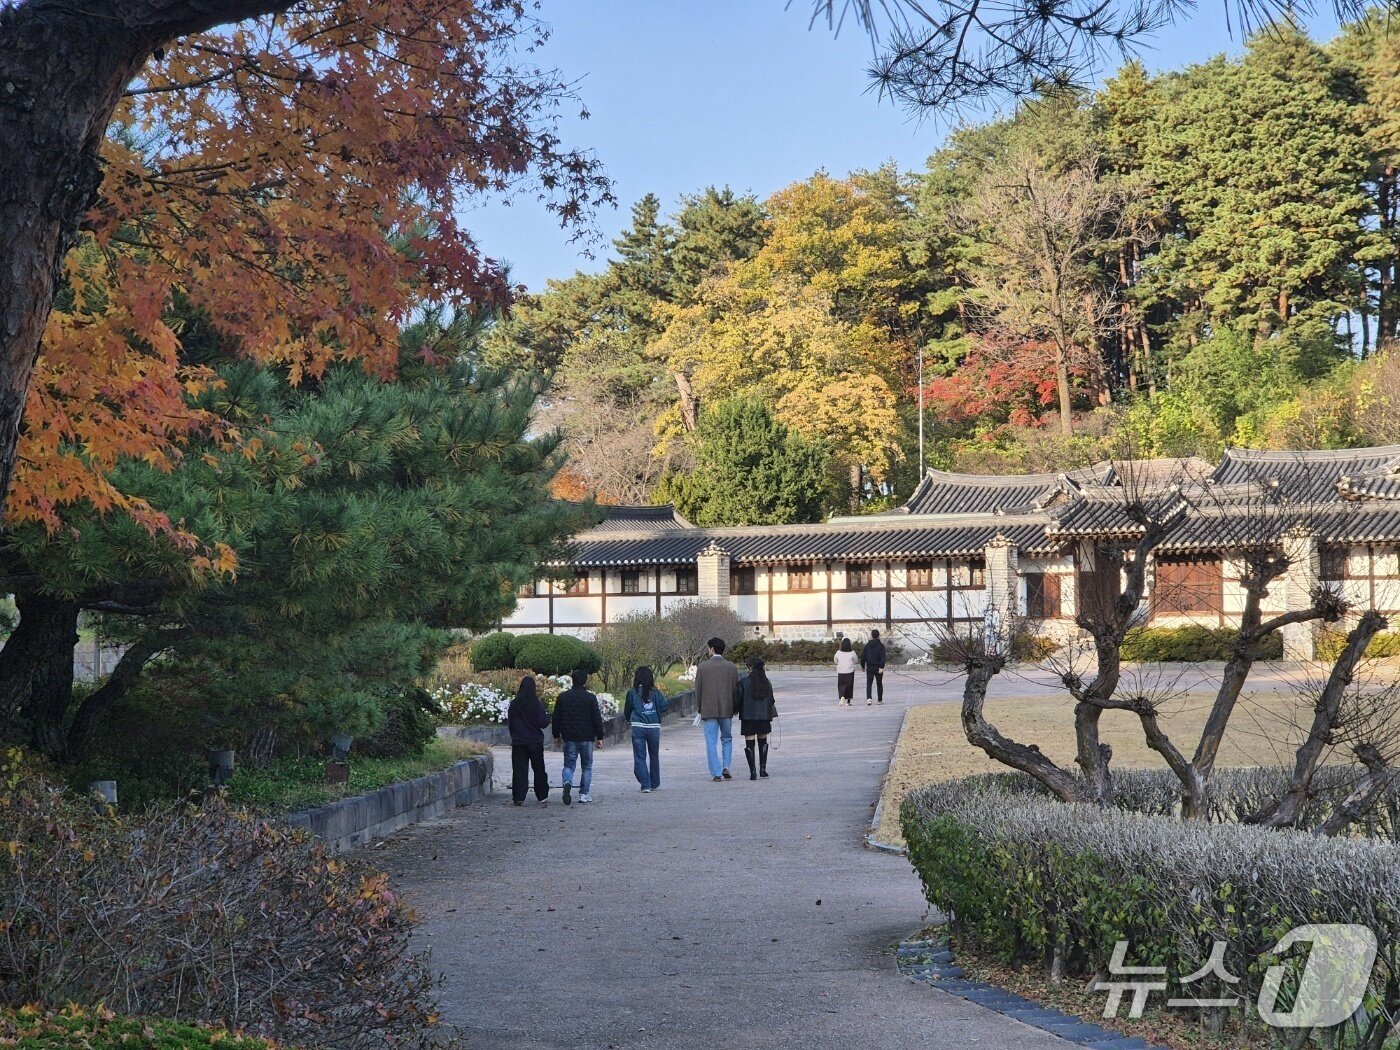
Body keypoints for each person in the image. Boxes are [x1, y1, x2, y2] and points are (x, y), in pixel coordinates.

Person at [552, 668, 605, 805]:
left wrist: (556, 735)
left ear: (572, 680)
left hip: (569, 736)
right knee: (587, 766)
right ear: (585, 681)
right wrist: (600, 736)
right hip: (587, 736)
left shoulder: (563, 697)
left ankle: (567, 781)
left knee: (569, 765)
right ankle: (584, 794)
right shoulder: (590, 698)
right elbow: (596, 718)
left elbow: (556, 718)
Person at [694, 636, 738, 781]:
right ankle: (726, 766)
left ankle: (716, 772)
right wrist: (735, 708)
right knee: (727, 738)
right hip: (727, 709)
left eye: (708, 648)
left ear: (712, 649)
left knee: (711, 742)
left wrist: (700, 708)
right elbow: (734, 690)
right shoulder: (731, 667)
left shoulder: (702, 667)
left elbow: (698, 690)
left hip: (709, 709)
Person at [623, 665, 669, 792]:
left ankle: (645, 784)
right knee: (654, 755)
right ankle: (654, 782)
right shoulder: (656, 692)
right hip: (654, 727)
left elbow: (627, 709)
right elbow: (665, 706)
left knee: (640, 756)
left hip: (638, 727)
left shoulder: (632, 692)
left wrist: (628, 719)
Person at [507, 675, 551, 806]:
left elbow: (511, 723)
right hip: (535, 741)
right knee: (538, 768)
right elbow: (543, 723)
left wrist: (514, 735)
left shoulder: (514, 703)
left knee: (519, 769)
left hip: (519, 741)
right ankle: (542, 795)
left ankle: (519, 796)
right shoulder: (536, 703)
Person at [736, 656, 778, 780]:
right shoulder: (766, 682)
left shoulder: (743, 682)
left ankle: (752, 771)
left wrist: (735, 710)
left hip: (748, 716)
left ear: (750, 668)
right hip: (764, 716)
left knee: (749, 743)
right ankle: (763, 769)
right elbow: (771, 700)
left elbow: (738, 699)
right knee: (762, 742)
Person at [860, 628, 887, 705]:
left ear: (871, 636)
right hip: (878, 667)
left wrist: (862, 666)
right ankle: (879, 700)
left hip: (870, 667)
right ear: (878, 636)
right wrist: (882, 666)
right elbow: (883, 657)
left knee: (869, 683)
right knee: (879, 683)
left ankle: (869, 698)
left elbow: (863, 656)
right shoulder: (881, 646)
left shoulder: (867, 645)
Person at [834, 637, 858, 706]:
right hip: (850, 671)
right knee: (849, 686)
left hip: (841, 671)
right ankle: (848, 701)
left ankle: (842, 697)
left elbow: (835, 661)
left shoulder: (838, 652)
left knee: (841, 685)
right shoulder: (852, 652)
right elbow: (856, 660)